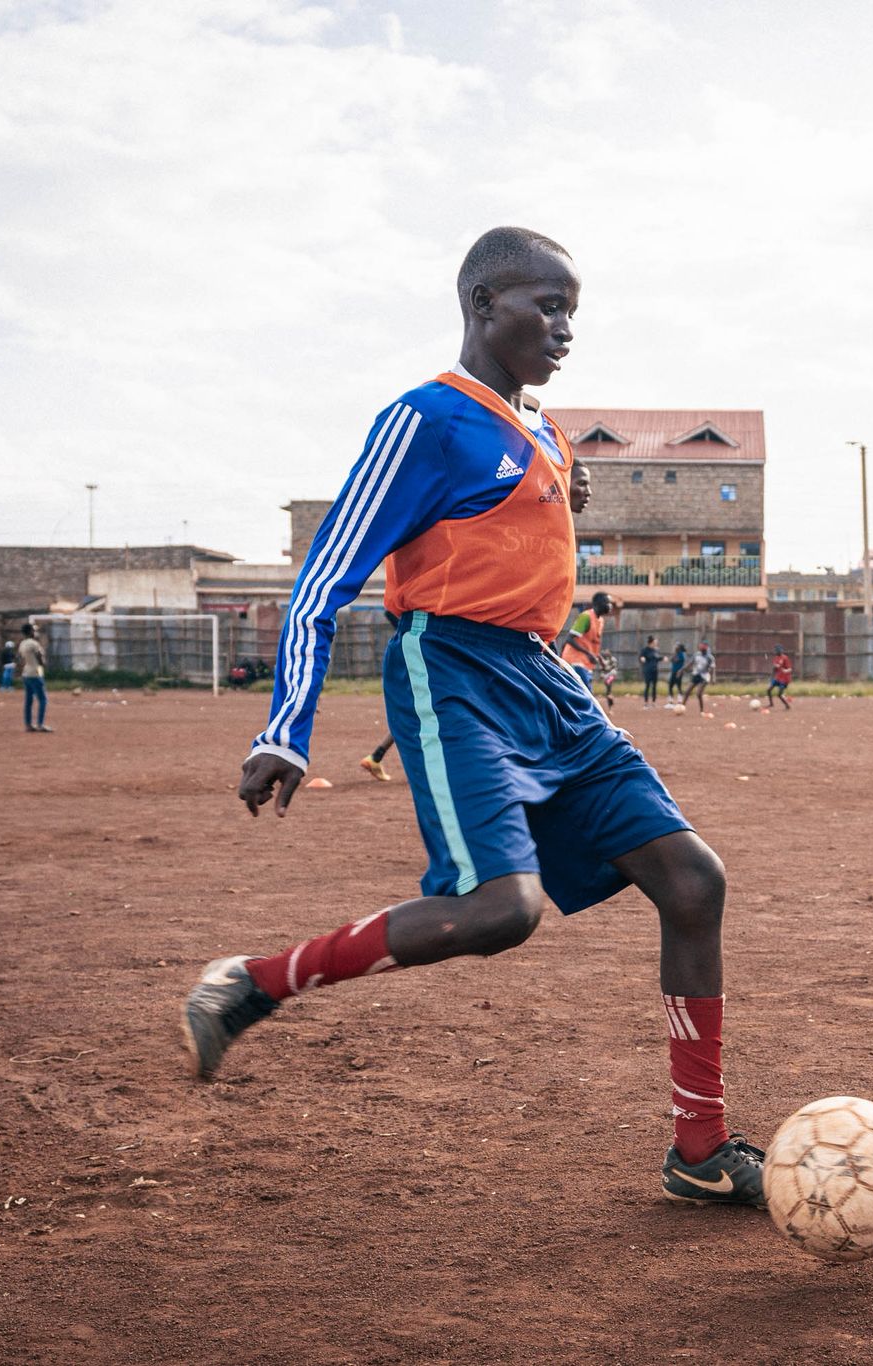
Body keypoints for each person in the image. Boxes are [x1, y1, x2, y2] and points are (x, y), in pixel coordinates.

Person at [192, 227, 764, 1207]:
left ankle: (699, 1150)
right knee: (499, 911)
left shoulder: (534, 428)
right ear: (482, 303)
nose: (564, 327)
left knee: (691, 881)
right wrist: (284, 726)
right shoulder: (422, 420)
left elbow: (513, 509)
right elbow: (325, 576)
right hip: (450, 671)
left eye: (573, 310)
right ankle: (253, 982)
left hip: (548, 681)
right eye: (546, 306)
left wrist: (560, 484)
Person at [560, 590, 614, 688]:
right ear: (598, 604)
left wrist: (601, 660)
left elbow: (593, 643)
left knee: (584, 694)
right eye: (607, 602)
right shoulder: (586, 617)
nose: (610, 605)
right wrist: (589, 654)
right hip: (575, 661)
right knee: (586, 694)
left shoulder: (600, 620)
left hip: (585, 663)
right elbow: (569, 638)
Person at [17, 623, 51, 732]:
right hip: (36, 672)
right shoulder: (34, 644)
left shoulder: (22, 644)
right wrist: (44, 664)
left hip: (26, 673)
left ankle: (28, 724)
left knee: (28, 700)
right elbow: (40, 660)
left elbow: (20, 659)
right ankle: (40, 724)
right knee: (42, 700)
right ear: (31, 631)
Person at [683, 640, 714, 713]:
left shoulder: (710, 658)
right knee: (687, 691)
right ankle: (682, 706)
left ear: (706, 648)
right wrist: (682, 670)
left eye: (703, 646)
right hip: (696, 675)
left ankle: (701, 710)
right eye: (700, 646)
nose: (701, 648)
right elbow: (690, 663)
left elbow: (712, 668)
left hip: (704, 677)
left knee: (698, 693)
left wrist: (712, 679)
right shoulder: (697, 654)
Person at [766, 645, 793, 711]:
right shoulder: (776, 658)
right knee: (769, 690)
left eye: (777, 650)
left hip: (784, 679)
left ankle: (787, 706)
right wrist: (771, 678)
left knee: (779, 694)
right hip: (778, 678)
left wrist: (785, 670)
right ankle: (771, 704)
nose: (776, 652)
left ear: (781, 650)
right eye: (776, 651)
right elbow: (774, 669)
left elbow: (790, 669)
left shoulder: (785, 658)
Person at [639, 636, 662, 708]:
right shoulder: (645, 650)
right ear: (651, 643)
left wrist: (662, 658)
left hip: (655, 670)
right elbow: (641, 656)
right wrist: (642, 658)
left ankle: (653, 702)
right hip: (648, 670)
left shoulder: (656, 650)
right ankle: (646, 703)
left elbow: (657, 658)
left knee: (654, 687)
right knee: (647, 686)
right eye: (655, 642)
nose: (656, 643)